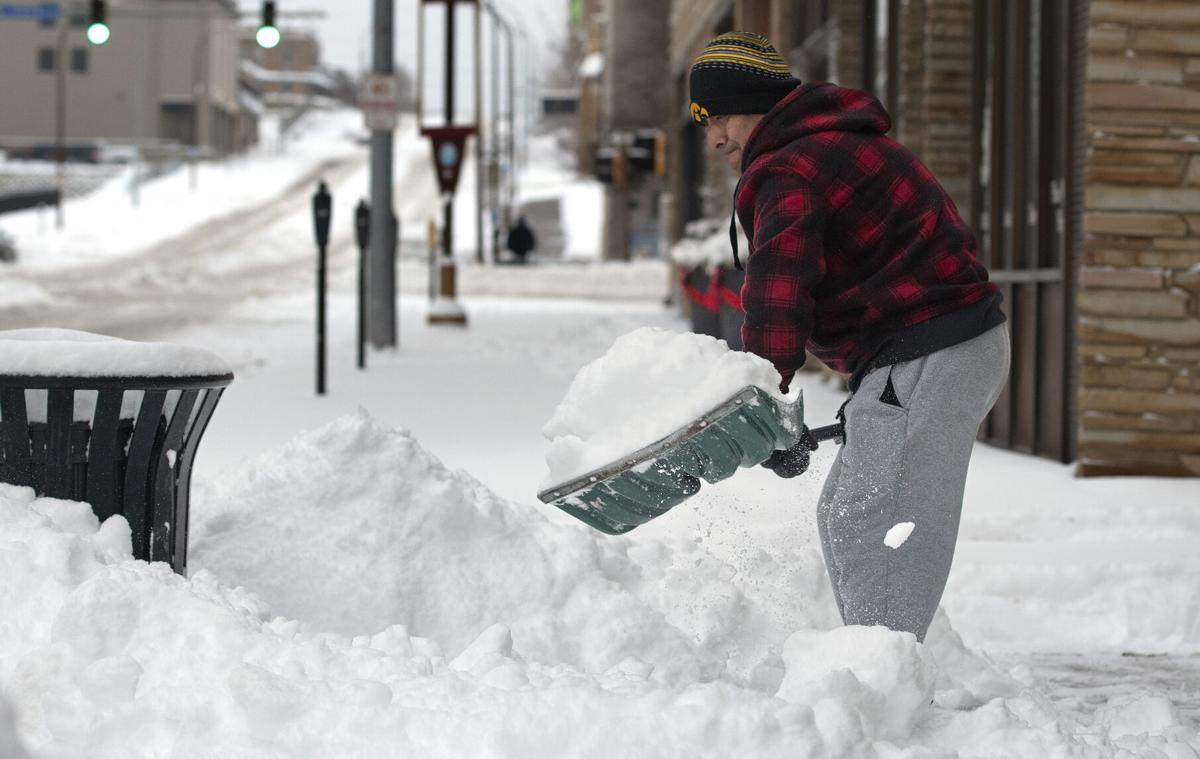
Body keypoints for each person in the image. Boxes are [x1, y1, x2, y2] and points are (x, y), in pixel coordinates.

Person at [689, 32, 1010, 642]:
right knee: (848, 513)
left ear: (758, 103)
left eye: (722, 116)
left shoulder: (789, 168)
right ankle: (874, 667)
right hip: (933, 350)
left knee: (873, 520)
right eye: (704, 123)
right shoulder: (830, 145)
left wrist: (765, 400)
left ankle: (881, 685)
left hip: (929, 351)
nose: (715, 139)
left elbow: (778, 293)